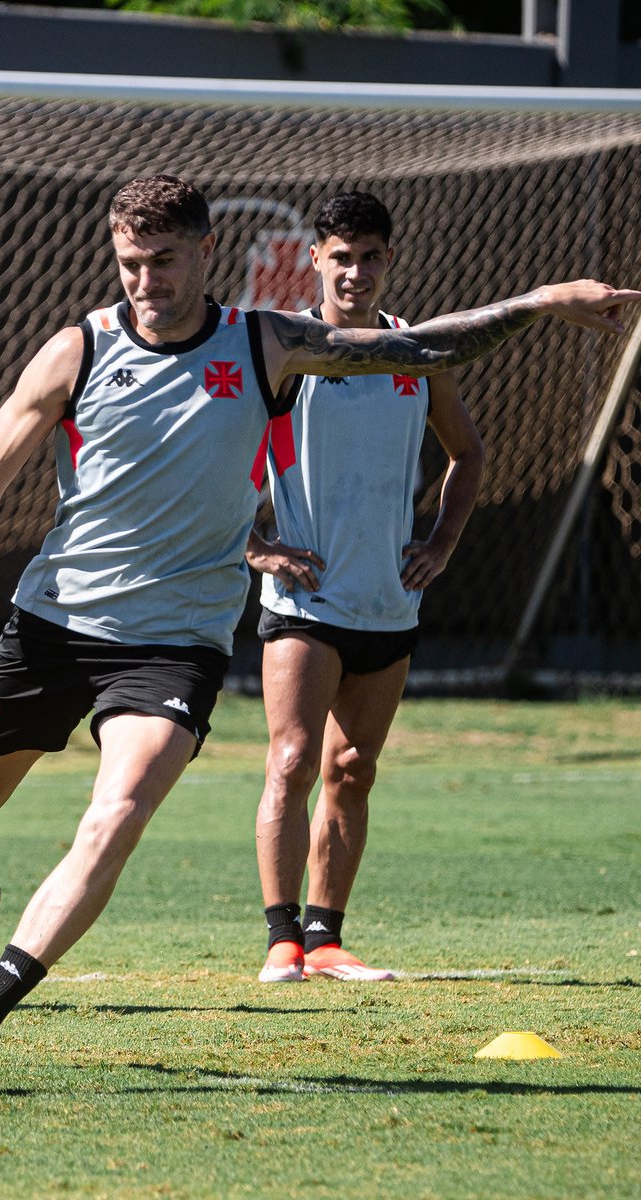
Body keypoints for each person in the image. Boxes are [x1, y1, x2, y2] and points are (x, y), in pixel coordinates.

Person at [0, 174, 640, 1092]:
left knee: (115, 818)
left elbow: (416, 347)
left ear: (206, 255)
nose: (145, 282)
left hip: (176, 643)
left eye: (164, 262)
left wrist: (543, 303)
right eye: (129, 264)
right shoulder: (77, 351)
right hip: (54, 624)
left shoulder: (264, 345)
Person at [247, 192, 484, 985]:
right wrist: (255, 546)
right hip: (305, 602)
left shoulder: (415, 351)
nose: (356, 270)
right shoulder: (284, 350)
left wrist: (444, 544)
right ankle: (282, 942)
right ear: (314, 259)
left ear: (389, 260)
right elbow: (214, 452)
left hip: (389, 602)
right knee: (292, 760)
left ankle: (327, 940)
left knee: (354, 770)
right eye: (341, 256)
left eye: (371, 255)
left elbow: (469, 454)